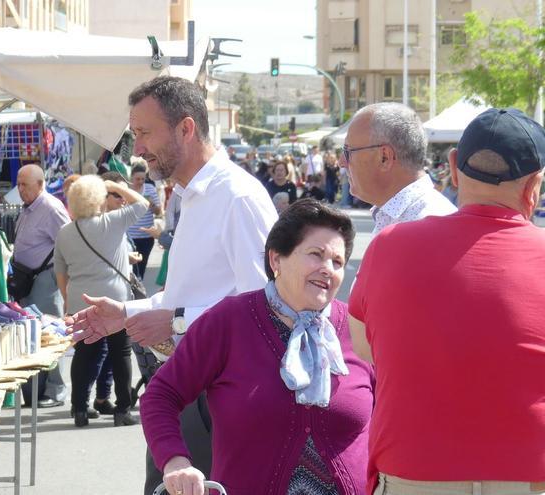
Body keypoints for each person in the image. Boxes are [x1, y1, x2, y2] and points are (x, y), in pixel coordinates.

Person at [66, 76, 278, 495]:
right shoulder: (194, 194)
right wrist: (126, 313)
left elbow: (269, 307)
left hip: (222, 401)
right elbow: (192, 295)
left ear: (186, 128)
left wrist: (177, 322)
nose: (138, 148)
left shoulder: (237, 197)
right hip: (191, 392)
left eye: (144, 133)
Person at [349, 108, 545, 495]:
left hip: (412, 475)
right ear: (534, 185)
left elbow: (363, 345)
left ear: (453, 169)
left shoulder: (389, 246)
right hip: (530, 476)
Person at [142, 199, 372, 495]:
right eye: (316, 255)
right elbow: (161, 395)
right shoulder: (229, 321)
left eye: (338, 262)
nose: (328, 269)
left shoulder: (358, 328)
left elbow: (391, 415)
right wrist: (175, 461)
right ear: (276, 259)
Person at [55, 175, 149, 427]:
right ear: (99, 198)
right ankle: (121, 410)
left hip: (80, 299)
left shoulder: (65, 232)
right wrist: (115, 186)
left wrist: (67, 300)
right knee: (120, 353)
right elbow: (143, 204)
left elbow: (61, 272)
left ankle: (79, 408)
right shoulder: (113, 222)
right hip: (114, 298)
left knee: (84, 354)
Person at [340, 102, 456, 234]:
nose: (341, 162)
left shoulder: (424, 224)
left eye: (348, 151)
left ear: (384, 157)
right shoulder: (411, 217)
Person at [14, 163, 71, 408]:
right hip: (28, 279)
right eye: (18, 184)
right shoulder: (29, 208)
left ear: (40, 184)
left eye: (24, 184)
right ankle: (38, 389)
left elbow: (67, 242)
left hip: (45, 280)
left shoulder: (49, 207)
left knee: (50, 332)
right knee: (35, 334)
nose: (20, 189)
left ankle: (56, 390)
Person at [126, 162, 162, 280]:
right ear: (131, 177)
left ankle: (137, 288)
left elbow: (158, 212)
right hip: (130, 236)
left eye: (143, 178)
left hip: (146, 237)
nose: (140, 181)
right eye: (137, 179)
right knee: (130, 268)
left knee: (141, 267)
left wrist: (152, 205)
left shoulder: (150, 189)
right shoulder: (126, 190)